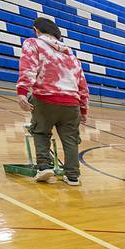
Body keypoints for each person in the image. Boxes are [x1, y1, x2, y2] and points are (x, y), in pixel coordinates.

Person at [16, 17, 88, 186]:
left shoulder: (33, 43)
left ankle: (44, 167)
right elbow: (83, 86)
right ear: (59, 36)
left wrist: (22, 92)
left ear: (36, 30)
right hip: (72, 103)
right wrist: (83, 110)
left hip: (45, 98)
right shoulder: (72, 56)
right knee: (70, 139)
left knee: (41, 132)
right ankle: (73, 176)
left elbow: (28, 67)